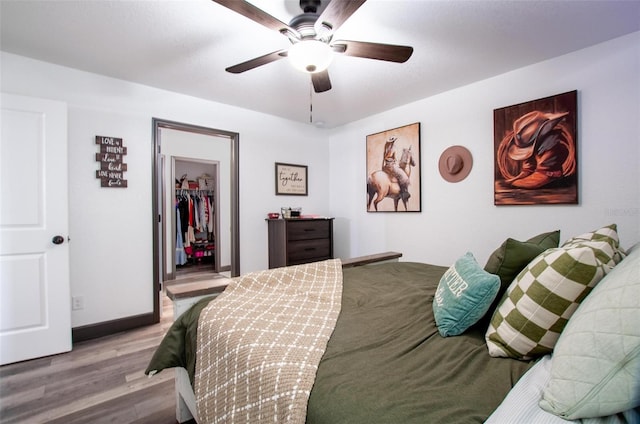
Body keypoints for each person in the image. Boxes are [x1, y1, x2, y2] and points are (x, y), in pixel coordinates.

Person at [497, 110, 576, 189]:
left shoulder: (551, 140)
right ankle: (539, 171)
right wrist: (528, 169)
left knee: (549, 140)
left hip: (548, 170)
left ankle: (549, 171)